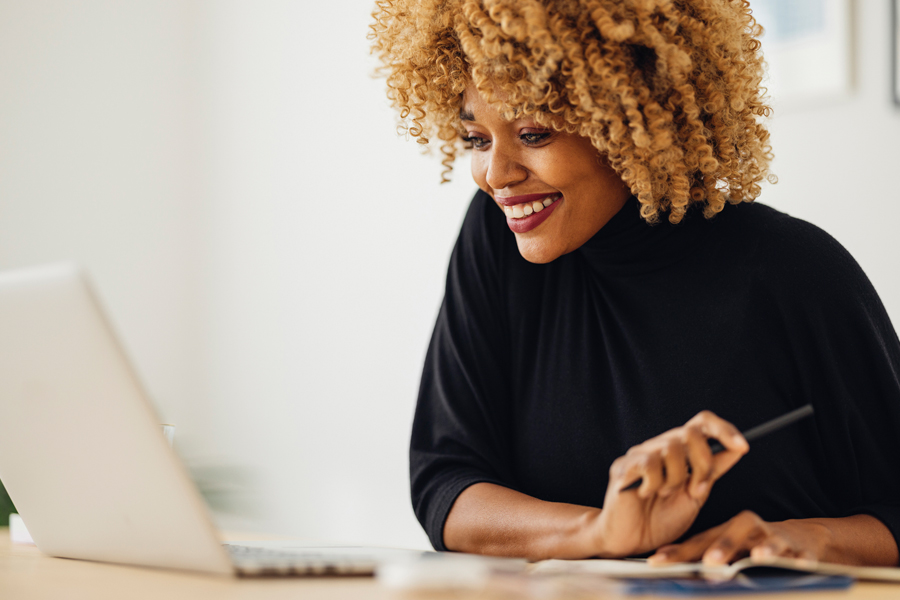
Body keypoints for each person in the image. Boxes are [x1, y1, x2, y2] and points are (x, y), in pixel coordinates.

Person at [370, 0, 900, 566]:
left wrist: (811, 541)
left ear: (634, 119)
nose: (496, 175)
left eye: (533, 132)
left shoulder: (796, 274)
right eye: (476, 139)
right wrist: (599, 534)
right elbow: (445, 482)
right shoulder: (498, 242)